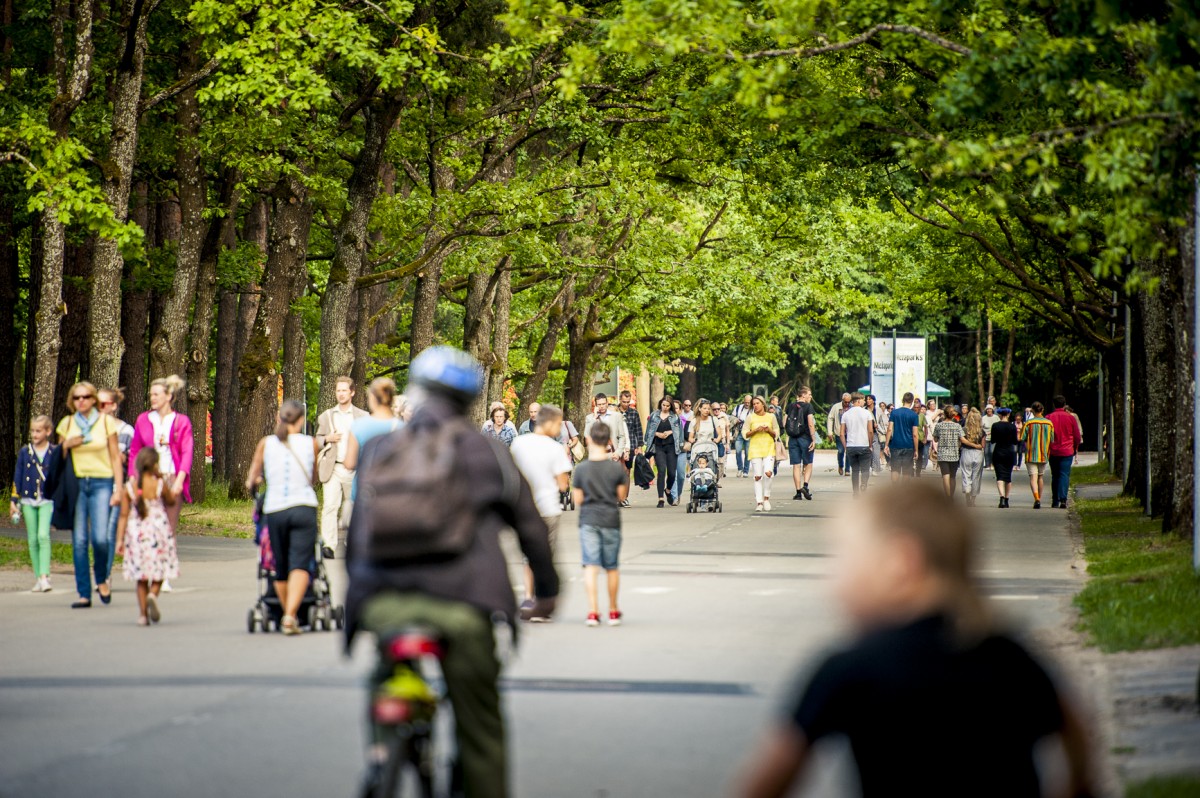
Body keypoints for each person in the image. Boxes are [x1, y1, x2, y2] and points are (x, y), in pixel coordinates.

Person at [736, 481, 1095, 798]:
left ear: (900, 562)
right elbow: (1074, 733)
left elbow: (770, 777)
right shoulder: (1008, 655)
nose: (831, 577)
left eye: (843, 557)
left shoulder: (853, 667)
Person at [346, 346, 558, 798]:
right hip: (466, 603)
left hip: (387, 602)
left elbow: (358, 534)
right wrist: (547, 592)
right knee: (480, 722)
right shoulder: (488, 450)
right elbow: (531, 529)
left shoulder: (381, 448)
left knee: (385, 676)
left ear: (416, 392)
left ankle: (381, 753)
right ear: (470, 400)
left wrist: (358, 604)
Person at [244, 400, 319, 635]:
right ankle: (290, 616)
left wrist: (256, 483)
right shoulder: (311, 443)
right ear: (301, 420)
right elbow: (313, 478)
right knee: (300, 563)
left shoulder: (266, 444)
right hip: (303, 507)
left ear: (279, 418)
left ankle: (287, 613)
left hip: (275, 509)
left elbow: (252, 479)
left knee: (280, 565)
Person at [57, 381, 124, 609]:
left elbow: (115, 457)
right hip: (76, 484)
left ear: (93, 399)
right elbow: (57, 459)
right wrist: (67, 444)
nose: (81, 401)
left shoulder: (105, 422)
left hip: (101, 482)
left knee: (100, 538)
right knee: (79, 541)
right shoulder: (67, 424)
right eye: (77, 398)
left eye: (86, 397)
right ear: (72, 401)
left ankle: (102, 578)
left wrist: (118, 488)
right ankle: (84, 593)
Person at [127, 375, 193, 596]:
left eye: (156, 394)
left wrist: (179, 481)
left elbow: (187, 452)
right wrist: (133, 477)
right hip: (148, 479)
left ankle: (163, 576)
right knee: (148, 526)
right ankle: (148, 571)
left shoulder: (181, 421)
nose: (152, 398)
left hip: (172, 477)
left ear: (169, 396)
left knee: (168, 528)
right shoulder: (143, 420)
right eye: (151, 394)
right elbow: (135, 451)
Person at [511, 404, 572, 620]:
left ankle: (529, 597)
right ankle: (542, 600)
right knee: (546, 556)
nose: (559, 429)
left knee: (528, 555)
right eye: (558, 424)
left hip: (524, 507)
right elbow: (563, 485)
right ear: (550, 422)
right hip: (548, 508)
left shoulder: (518, 443)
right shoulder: (555, 448)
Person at [573, 421, 629, 627]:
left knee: (590, 565)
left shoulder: (581, 469)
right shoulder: (616, 469)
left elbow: (578, 499)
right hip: (610, 519)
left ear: (588, 440)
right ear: (609, 442)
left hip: (588, 519)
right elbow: (621, 496)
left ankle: (593, 611)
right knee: (611, 566)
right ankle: (613, 610)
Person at [115, 447, 180, 626]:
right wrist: (166, 484)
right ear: (155, 464)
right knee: (160, 571)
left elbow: (123, 515)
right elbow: (171, 501)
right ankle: (153, 595)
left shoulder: (130, 487)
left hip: (137, 534)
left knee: (141, 577)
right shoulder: (159, 483)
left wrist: (120, 539)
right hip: (158, 532)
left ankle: (143, 615)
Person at [315, 376, 368, 558]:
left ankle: (352, 544)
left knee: (354, 507)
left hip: (355, 469)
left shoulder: (363, 416)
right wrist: (327, 438)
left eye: (344, 390)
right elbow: (317, 440)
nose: (341, 394)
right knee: (330, 506)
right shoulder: (327, 416)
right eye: (338, 390)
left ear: (352, 392)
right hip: (333, 468)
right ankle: (328, 545)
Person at [11, 416, 61, 593]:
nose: (34, 434)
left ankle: (45, 576)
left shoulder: (53, 452)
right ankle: (38, 577)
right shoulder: (25, 452)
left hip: (47, 500)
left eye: (38, 431)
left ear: (48, 432)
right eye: (32, 430)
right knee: (32, 539)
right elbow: (18, 476)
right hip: (27, 499)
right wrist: (13, 500)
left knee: (43, 536)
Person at [342, 378, 402, 512]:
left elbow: (349, 464)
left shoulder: (358, 426)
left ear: (373, 398)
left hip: (364, 492)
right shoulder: (402, 428)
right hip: (393, 493)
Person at [98, 387, 135, 586]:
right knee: (98, 534)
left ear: (113, 406)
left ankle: (104, 575)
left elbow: (133, 460)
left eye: (103, 404)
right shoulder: (90, 430)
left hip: (116, 487)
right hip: (94, 487)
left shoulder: (126, 431)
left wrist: (123, 458)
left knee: (109, 532)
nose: (99, 408)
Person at [744, 396, 781, 512]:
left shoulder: (771, 416)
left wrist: (768, 430)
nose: (755, 406)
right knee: (758, 476)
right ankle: (759, 502)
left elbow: (777, 432)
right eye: (754, 404)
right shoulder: (750, 417)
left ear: (763, 404)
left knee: (768, 473)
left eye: (757, 403)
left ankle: (766, 498)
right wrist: (755, 430)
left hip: (768, 448)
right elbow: (745, 433)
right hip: (755, 449)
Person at [645, 396, 682, 507]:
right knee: (661, 471)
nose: (665, 407)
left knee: (671, 473)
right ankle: (660, 499)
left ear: (671, 406)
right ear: (660, 404)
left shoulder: (675, 417)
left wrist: (670, 432)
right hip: (658, 446)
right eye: (663, 405)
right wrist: (657, 434)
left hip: (671, 446)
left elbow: (679, 431)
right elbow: (648, 432)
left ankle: (668, 490)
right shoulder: (654, 415)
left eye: (667, 406)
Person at [1047, 396, 1082, 510]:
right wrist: (1075, 447)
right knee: (1064, 474)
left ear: (1054, 404)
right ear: (1064, 404)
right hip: (1067, 450)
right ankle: (1063, 499)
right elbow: (1077, 436)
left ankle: (1055, 500)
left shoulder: (1049, 417)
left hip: (1053, 450)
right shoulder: (1070, 418)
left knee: (1055, 475)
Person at [839, 393, 875, 496]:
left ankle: (855, 492)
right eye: (863, 400)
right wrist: (870, 444)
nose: (865, 402)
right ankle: (863, 484)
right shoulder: (867, 413)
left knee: (854, 471)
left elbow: (841, 433)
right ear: (858, 401)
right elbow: (870, 431)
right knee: (865, 469)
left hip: (851, 445)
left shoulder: (846, 414)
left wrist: (845, 446)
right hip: (864, 445)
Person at [1022, 402, 1055, 510]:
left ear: (1032, 410)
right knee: (1040, 477)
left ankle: (1036, 498)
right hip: (1044, 454)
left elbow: (1022, 437)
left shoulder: (1028, 423)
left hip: (1031, 454)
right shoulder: (1049, 423)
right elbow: (1052, 439)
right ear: (1042, 410)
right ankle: (1039, 498)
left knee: (1033, 477)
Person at [785, 388, 817, 500]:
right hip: (805, 438)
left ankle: (798, 492)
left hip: (793, 438)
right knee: (808, 463)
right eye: (809, 394)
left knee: (796, 465)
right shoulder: (808, 407)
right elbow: (810, 423)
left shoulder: (790, 406)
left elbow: (784, 422)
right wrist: (813, 439)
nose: (810, 396)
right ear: (803, 395)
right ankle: (805, 486)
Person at [884, 392, 920, 483]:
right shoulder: (914, 415)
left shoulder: (894, 412)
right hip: (908, 445)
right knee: (906, 471)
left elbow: (889, 429)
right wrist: (916, 450)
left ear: (903, 400)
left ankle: (895, 489)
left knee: (895, 469)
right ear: (912, 401)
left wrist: (886, 445)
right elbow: (915, 434)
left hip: (895, 445)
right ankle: (904, 489)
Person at [583, 393, 630, 462]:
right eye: (599, 404)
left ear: (607, 403)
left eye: (603, 404)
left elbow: (622, 437)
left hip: (613, 454)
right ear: (596, 405)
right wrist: (594, 418)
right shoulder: (590, 418)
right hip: (596, 455)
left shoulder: (617, 416)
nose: (602, 406)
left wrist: (618, 453)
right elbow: (586, 435)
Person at [617, 390, 644, 508]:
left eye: (628, 402)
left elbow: (638, 430)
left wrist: (639, 446)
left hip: (630, 445)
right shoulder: (614, 412)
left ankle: (624, 497)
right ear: (620, 400)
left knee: (627, 472)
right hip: (617, 445)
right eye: (624, 402)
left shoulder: (634, 413)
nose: (626, 404)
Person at [687, 399, 721, 486]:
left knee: (711, 470)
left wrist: (717, 440)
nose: (707, 410)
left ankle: (710, 485)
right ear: (700, 409)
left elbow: (719, 434)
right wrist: (693, 440)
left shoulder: (713, 420)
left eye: (708, 409)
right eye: (705, 408)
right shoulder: (694, 421)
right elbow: (690, 437)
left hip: (710, 449)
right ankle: (697, 485)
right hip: (698, 449)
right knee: (697, 471)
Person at [932, 409, 965, 498]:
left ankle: (948, 496)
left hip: (942, 454)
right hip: (954, 454)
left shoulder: (939, 425)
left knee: (945, 476)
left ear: (945, 414)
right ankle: (951, 496)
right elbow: (962, 439)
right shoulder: (957, 426)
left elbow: (935, 439)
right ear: (953, 415)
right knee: (952, 477)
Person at [990, 408, 1019, 508]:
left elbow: (993, 440)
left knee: (1000, 476)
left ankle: (1001, 498)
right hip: (1009, 452)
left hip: (998, 452)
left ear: (999, 415)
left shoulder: (995, 426)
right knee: (1008, 476)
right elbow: (1015, 441)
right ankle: (1006, 499)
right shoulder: (1012, 426)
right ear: (1008, 414)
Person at [959, 409, 987, 506]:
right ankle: (973, 500)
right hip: (978, 454)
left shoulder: (964, 430)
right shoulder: (982, 431)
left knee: (966, 474)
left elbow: (961, 441)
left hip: (966, 452)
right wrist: (976, 445)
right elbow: (983, 445)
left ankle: (967, 491)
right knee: (976, 477)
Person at [826, 393, 852, 477]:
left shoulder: (852, 407)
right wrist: (830, 432)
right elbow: (830, 418)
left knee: (848, 451)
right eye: (845, 402)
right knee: (841, 450)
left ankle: (847, 469)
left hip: (850, 433)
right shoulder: (836, 407)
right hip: (839, 432)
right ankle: (840, 465)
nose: (847, 404)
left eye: (848, 402)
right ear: (842, 400)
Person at [732, 394, 753, 476]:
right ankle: (740, 468)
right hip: (739, 432)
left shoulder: (753, 409)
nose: (747, 404)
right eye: (745, 402)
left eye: (749, 402)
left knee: (748, 453)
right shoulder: (738, 408)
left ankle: (746, 471)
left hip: (748, 433)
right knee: (738, 451)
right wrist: (736, 420)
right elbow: (732, 417)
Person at [981, 404, 999, 468]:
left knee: (992, 451)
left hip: (994, 438)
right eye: (987, 409)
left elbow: (999, 426)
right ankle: (987, 465)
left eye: (990, 409)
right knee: (986, 452)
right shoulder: (983, 418)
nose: (989, 410)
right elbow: (981, 427)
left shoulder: (996, 417)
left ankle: (992, 464)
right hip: (986, 437)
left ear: (992, 410)